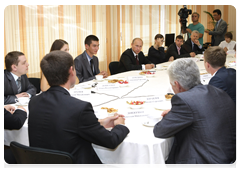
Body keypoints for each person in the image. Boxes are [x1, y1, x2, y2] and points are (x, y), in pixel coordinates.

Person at [28, 51, 129, 168]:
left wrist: (99, 123)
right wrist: (120, 126)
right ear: (71, 71)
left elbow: (62, 124)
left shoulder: (34, 102)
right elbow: (111, 141)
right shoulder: (80, 108)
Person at [153, 58, 237, 168]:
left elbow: (160, 131)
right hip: (230, 158)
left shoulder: (184, 100)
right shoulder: (218, 91)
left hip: (206, 164)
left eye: (172, 85)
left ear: (177, 85)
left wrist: (171, 114)